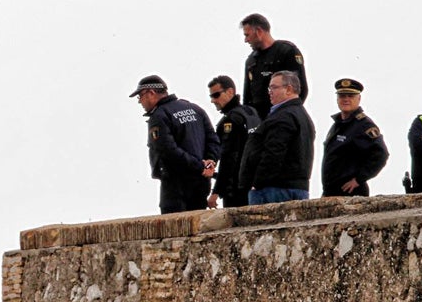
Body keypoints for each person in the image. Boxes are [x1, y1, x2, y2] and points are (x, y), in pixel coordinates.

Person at [129, 75, 221, 214]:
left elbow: (168, 150)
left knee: (173, 228)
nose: (140, 102)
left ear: (151, 93)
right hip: (201, 182)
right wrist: (208, 164)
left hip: (176, 184)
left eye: (140, 96)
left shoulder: (159, 116)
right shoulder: (195, 109)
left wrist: (199, 166)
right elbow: (213, 141)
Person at [239, 71, 315, 205]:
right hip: (296, 187)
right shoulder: (302, 116)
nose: (269, 92)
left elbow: (274, 153)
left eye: (273, 87)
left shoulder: (283, 117)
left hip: (274, 189)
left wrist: (257, 182)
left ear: (289, 89)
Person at [321, 78, 389, 197]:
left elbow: (381, 154)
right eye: (342, 96)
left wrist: (359, 179)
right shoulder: (338, 124)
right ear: (337, 99)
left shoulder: (364, 125)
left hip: (350, 193)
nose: (346, 99)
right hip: (331, 191)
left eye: (351, 96)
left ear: (359, 98)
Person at [240, 13, 308, 119]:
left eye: (247, 35)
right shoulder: (251, 61)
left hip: (283, 119)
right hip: (259, 124)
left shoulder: (286, 52)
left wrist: (285, 117)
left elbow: (301, 90)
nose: (246, 40)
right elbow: (247, 97)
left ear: (258, 32)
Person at [206, 75, 260, 208]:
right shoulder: (251, 112)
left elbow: (229, 158)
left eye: (216, 95)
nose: (213, 100)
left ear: (230, 92)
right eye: (211, 96)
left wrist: (216, 192)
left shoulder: (231, 120)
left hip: (237, 189)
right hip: (255, 183)